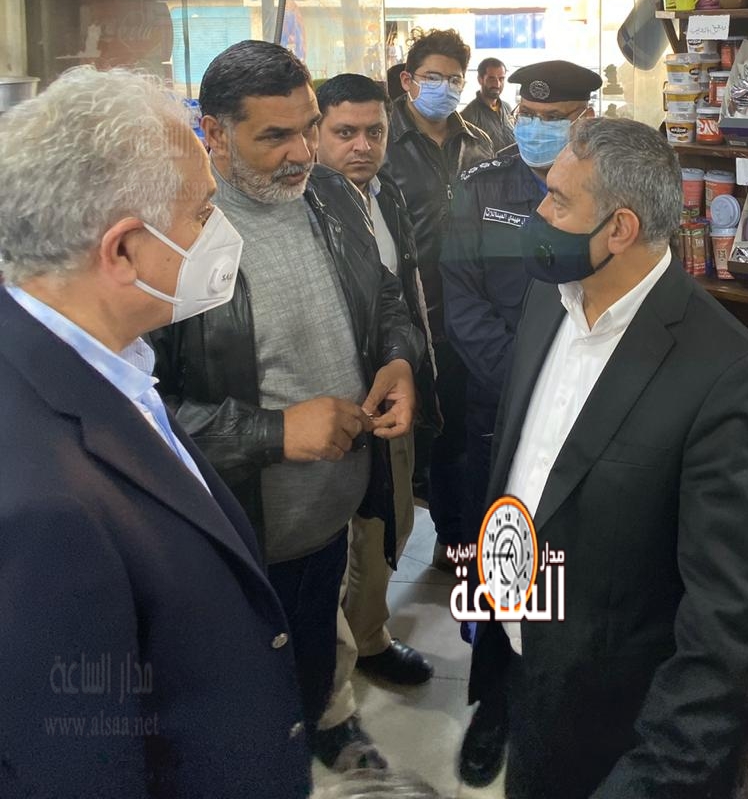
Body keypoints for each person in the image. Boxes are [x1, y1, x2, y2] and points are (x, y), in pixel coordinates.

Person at [0, 67, 310, 799]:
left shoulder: (108, 364)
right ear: (122, 251)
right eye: (203, 212)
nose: (220, 232)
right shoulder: (44, 506)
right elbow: (79, 765)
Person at [466, 119, 748, 799]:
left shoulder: (727, 376)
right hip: (523, 668)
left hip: (619, 726)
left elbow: (726, 624)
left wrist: (654, 776)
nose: (538, 213)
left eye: (558, 201)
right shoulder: (548, 299)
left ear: (619, 229)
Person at [151, 41, 423, 773]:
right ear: (214, 132)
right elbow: (141, 410)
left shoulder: (329, 194)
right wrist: (274, 433)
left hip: (329, 513)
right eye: (275, 136)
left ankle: (326, 721)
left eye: (307, 128)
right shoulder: (173, 234)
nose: (302, 152)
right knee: (242, 701)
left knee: (315, 647)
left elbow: (385, 296)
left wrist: (399, 358)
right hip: (237, 531)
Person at [441, 59, 600, 786]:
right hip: (497, 405)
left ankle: (555, 692)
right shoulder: (480, 187)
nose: (535, 129)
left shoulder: (608, 187)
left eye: (553, 119)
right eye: (528, 117)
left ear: (584, 120)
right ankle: (493, 701)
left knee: (567, 556)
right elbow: (462, 299)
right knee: (495, 553)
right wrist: (521, 382)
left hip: (585, 404)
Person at [313, 74, 441, 754]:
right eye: (345, 132)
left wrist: (411, 362)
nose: (362, 146)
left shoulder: (385, 192)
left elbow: (400, 292)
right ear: (316, 133)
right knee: (330, 541)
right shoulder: (303, 206)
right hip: (330, 402)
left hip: (391, 387)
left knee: (391, 520)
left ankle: (369, 636)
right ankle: (325, 688)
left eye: (375, 132)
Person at [385, 29, 493, 564]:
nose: (445, 88)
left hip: (467, 310)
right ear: (408, 80)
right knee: (408, 435)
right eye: (433, 78)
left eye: (454, 79)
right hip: (405, 310)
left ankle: (454, 538)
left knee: (460, 429)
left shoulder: (478, 142)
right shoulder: (382, 142)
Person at [460, 58, 514, 153]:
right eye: (491, 78)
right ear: (480, 79)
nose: (497, 84)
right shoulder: (468, 116)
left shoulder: (507, 108)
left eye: (501, 79)